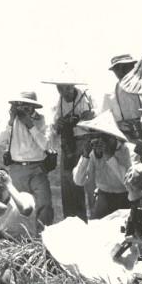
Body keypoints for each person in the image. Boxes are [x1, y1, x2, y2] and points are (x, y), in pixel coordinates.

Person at [0, 91, 54, 230]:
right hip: (17, 169)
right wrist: (10, 120)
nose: (24, 108)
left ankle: (44, 239)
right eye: (21, 104)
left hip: (37, 168)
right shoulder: (11, 120)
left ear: (34, 106)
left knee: (44, 205)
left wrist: (30, 125)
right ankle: (21, 241)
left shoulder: (42, 120)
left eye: (27, 105)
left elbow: (47, 145)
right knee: (18, 207)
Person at [45, 74, 96, 222]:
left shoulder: (87, 98)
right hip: (67, 146)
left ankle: (93, 223)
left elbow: (100, 116)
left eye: (67, 87)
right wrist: (57, 125)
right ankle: (72, 223)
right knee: (69, 187)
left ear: (73, 86)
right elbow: (51, 132)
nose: (63, 92)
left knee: (89, 184)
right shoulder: (57, 104)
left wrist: (89, 117)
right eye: (60, 88)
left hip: (86, 142)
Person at [73, 110, 133, 219]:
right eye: (93, 135)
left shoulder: (126, 150)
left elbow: (129, 182)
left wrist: (109, 157)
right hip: (104, 196)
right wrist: (85, 156)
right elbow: (78, 181)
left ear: (111, 136)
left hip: (125, 197)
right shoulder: (93, 152)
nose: (96, 141)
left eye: (101, 136)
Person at [101, 54, 142, 142]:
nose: (122, 71)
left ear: (133, 67)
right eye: (117, 68)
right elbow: (103, 123)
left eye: (126, 67)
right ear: (114, 71)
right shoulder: (109, 95)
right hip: (125, 142)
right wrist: (117, 125)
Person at [0, 169, 35, 237]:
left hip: (26, 245)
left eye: (0, 188)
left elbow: (26, 209)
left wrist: (9, 184)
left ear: (7, 186)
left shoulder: (23, 197)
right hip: (0, 245)